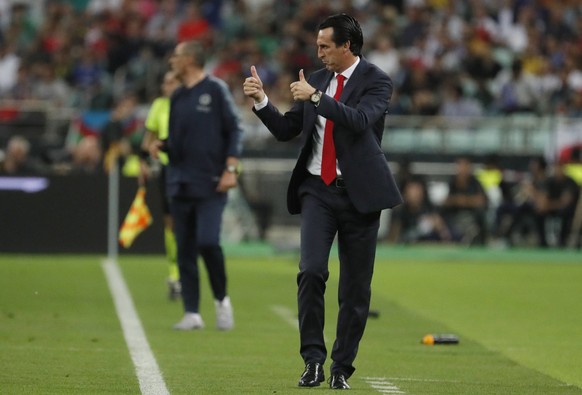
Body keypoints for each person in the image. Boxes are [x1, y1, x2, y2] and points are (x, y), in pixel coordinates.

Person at [243, 13, 402, 390]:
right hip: (318, 190)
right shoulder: (315, 79)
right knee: (311, 271)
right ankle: (312, 360)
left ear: (347, 46)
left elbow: (360, 120)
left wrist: (316, 97)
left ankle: (341, 367)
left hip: (360, 195)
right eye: (317, 46)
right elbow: (287, 130)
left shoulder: (376, 81)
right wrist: (263, 100)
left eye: (325, 46)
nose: (318, 53)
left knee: (355, 290)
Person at [149, 40, 242, 331]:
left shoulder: (215, 90)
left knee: (208, 242)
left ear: (190, 59)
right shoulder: (176, 98)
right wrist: (162, 145)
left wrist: (230, 167)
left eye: (176, 57)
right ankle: (192, 312)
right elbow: (177, 140)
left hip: (211, 183)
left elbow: (235, 128)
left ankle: (221, 299)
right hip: (179, 182)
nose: (171, 62)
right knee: (185, 247)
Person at [139, 70, 182, 300]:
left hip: (190, 167)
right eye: (165, 82)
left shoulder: (187, 103)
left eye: (171, 81)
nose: (167, 85)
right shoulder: (159, 106)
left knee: (187, 222)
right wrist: (143, 161)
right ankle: (175, 274)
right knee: (170, 221)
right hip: (168, 167)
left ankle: (184, 271)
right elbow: (149, 137)